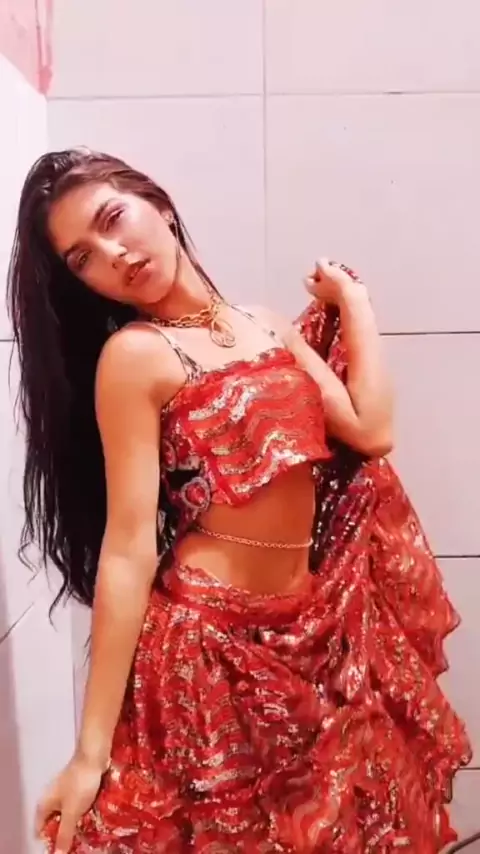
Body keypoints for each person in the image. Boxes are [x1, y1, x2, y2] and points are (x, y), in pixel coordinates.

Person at [8, 148, 470, 854]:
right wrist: (89, 753)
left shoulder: (264, 324)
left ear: (159, 205)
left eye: (113, 218)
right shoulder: (135, 357)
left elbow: (371, 430)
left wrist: (354, 303)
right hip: (207, 649)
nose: (113, 255)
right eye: (83, 258)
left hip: (314, 630)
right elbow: (129, 548)